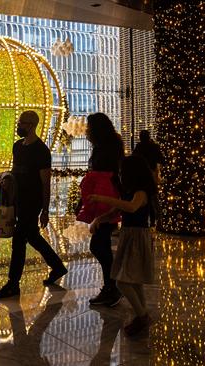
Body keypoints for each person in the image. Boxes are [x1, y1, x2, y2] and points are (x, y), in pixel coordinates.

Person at [0, 111, 67, 299]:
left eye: (22, 123)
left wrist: (45, 209)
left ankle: (13, 284)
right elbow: (15, 171)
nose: (19, 126)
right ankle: (57, 266)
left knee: (19, 241)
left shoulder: (41, 151)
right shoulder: (17, 146)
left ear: (32, 124)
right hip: (18, 200)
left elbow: (45, 182)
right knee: (33, 237)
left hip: (32, 202)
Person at [89, 154, 157, 337]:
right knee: (134, 282)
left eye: (122, 172)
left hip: (137, 237)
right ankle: (142, 315)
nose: (119, 175)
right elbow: (117, 210)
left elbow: (131, 207)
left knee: (123, 282)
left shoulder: (141, 193)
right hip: (129, 236)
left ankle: (142, 316)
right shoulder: (130, 191)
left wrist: (103, 199)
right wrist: (100, 219)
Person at [82, 113, 124, 307]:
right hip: (103, 197)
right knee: (101, 244)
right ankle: (111, 285)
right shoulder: (107, 145)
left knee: (98, 245)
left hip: (105, 199)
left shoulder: (105, 149)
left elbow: (105, 174)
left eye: (89, 127)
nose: (86, 130)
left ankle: (112, 286)